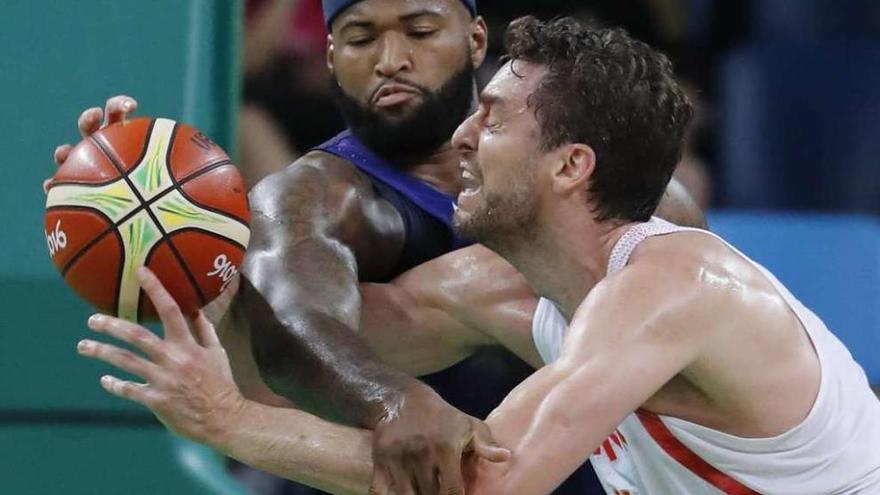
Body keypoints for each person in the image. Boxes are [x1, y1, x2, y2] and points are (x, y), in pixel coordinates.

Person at [77, 15, 880, 494]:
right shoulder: (498, 291)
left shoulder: (674, 286)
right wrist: (153, 230)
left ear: (571, 166)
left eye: (491, 121)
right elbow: (281, 357)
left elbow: (482, 482)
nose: (459, 136)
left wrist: (228, 423)